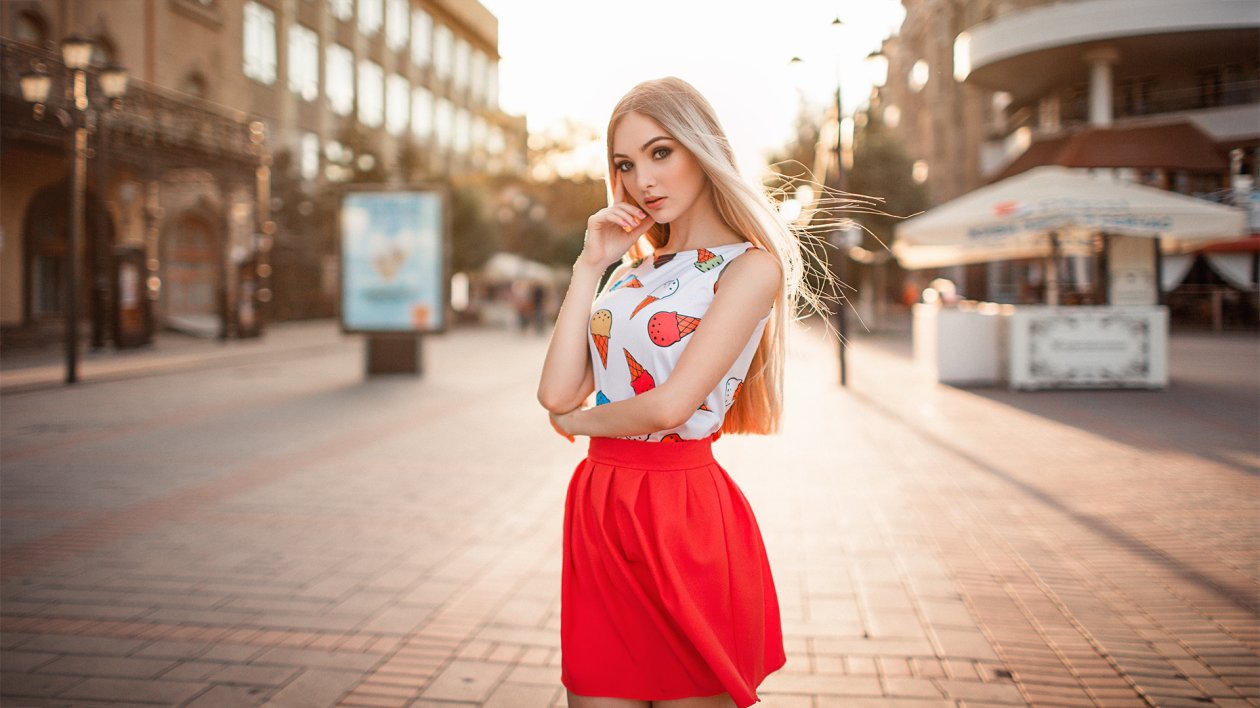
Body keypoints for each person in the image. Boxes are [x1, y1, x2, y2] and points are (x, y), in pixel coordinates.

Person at [538, 77, 813, 708]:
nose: (642, 181)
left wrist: (580, 425)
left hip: (680, 511)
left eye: (661, 153)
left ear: (702, 147)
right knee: (596, 694)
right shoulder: (629, 272)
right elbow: (556, 392)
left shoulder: (751, 266)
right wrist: (589, 266)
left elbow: (670, 406)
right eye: (625, 165)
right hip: (601, 504)